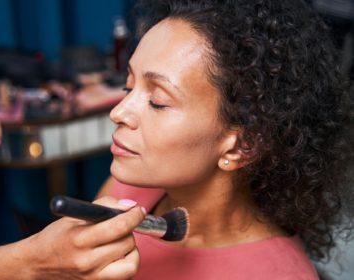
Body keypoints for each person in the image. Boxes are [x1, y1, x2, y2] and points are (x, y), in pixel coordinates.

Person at [95, 0, 354, 279]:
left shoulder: (278, 273)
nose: (118, 112)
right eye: (128, 85)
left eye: (157, 101)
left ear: (243, 145)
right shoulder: (127, 188)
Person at [0, 91, 147, 279]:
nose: (116, 112)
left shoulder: (120, 185)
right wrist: (32, 261)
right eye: (128, 89)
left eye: (157, 102)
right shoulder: (119, 189)